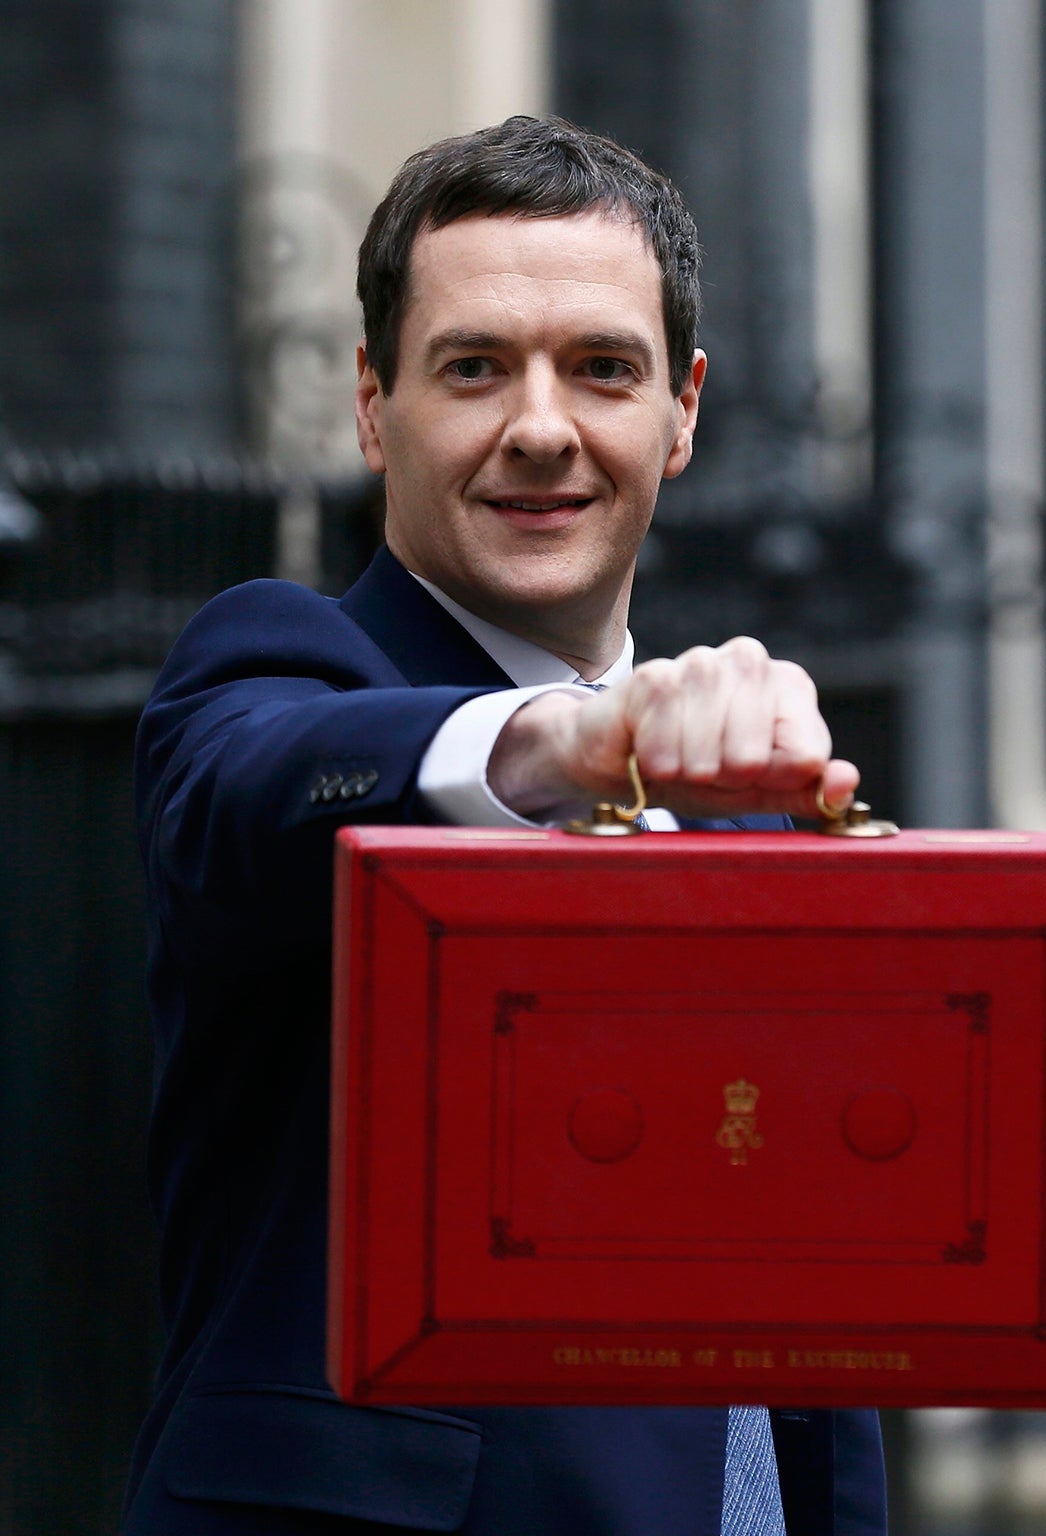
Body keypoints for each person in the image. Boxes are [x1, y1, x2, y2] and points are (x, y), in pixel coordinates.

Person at [126, 116, 887, 1536]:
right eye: (474, 368)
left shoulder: (747, 794)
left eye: (603, 368)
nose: (541, 427)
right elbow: (251, 793)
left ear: (685, 410)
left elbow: (807, 1297)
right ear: (373, 403)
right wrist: (567, 747)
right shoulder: (273, 673)